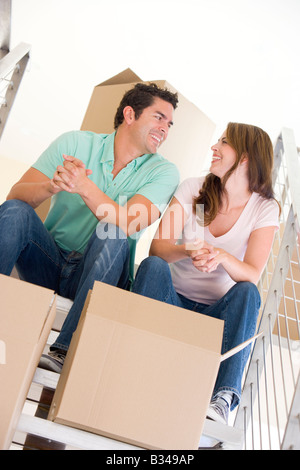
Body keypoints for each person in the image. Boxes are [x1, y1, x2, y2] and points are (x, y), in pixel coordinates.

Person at [0, 83, 180, 372]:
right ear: (130, 114)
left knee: (112, 232)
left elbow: (131, 222)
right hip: (51, 260)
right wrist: (52, 185)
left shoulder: (164, 172)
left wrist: (83, 186)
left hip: (103, 274)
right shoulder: (75, 143)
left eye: (169, 124)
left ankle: (64, 351)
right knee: (15, 212)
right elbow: (15, 196)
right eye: (159, 117)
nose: (165, 129)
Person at [132, 122, 280, 428]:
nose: (214, 147)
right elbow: (158, 248)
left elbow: (251, 273)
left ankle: (223, 398)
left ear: (244, 158)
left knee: (248, 293)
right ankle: (129, 357)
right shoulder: (195, 189)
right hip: (171, 301)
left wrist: (222, 256)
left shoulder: (264, 209)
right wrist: (187, 250)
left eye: (223, 143)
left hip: (216, 317)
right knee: (153, 267)